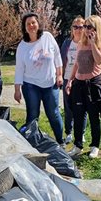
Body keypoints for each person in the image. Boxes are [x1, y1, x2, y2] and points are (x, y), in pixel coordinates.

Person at [14, 12, 64, 145]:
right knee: (32, 115)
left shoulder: (47, 37)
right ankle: (32, 142)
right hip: (31, 85)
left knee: (53, 114)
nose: (31, 26)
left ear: (38, 24)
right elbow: (19, 69)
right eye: (28, 24)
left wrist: (59, 75)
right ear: (24, 28)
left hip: (50, 83)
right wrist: (17, 89)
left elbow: (57, 56)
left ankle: (60, 141)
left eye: (33, 22)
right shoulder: (22, 46)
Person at [66, 15, 101, 159]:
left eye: (89, 27)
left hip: (93, 84)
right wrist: (70, 80)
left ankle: (95, 146)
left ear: (97, 29)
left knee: (93, 117)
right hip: (79, 84)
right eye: (85, 26)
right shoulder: (80, 43)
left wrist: (92, 44)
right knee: (78, 116)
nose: (85, 29)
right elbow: (76, 64)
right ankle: (78, 145)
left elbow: (99, 60)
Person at [60, 16, 87, 144]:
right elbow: (60, 60)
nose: (77, 29)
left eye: (80, 27)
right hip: (67, 78)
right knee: (68, 107)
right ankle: (69, 132)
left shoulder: (87, 43)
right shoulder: (67, 43)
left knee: (82, 108)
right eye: (75, 27)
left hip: (81, 79)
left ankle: (81, 133)